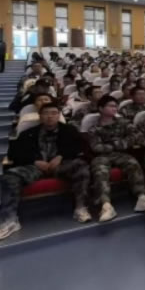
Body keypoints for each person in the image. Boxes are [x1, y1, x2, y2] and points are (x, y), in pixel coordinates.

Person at [0, 102, 92, 240]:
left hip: (61, 165)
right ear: (40, 116)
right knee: (9, 176)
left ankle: (81, 207)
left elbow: (81, 147)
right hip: (35, 167)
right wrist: (35, 161)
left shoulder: (69, 130)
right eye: (46, 113)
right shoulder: (28, 133)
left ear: (58, 115)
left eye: (54, 113)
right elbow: (13, 153)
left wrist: (61, 156)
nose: (50, 116)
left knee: (81, 167)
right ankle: (10, 219)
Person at [89, 95, 145, 222]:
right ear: (101, 108)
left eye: (115, 106)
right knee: (100, 170)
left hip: (121, 154)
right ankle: (106, 205)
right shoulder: (94, 128)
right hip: (102, 157)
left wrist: (113, 145)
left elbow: (134, 136)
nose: (114, 108)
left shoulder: (123, 123)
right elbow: (96, 147)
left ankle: (141, 197)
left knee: (133, 163)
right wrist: (120, 143)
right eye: (111, 106)